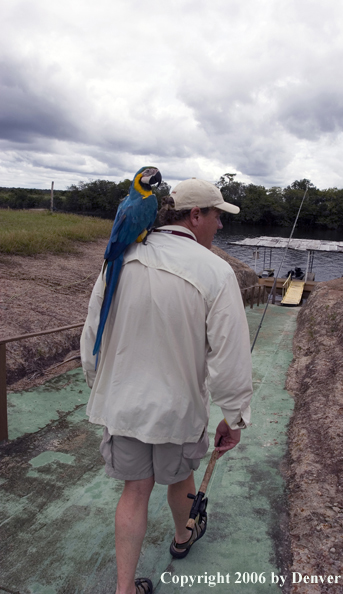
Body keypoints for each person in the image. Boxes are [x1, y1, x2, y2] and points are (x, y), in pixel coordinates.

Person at [80, 177, 253, 594]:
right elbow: (230, 356)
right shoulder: (216, 271)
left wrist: (101, 387)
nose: (220, 226)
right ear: (196, 216)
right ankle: (183, 537)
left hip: (123, 405)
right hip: (178, 410)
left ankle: (124, 590)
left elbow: (92, 336)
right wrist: (235, 417)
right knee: (180, 479)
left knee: (134, 491)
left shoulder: (120, 258)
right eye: (217, 216)